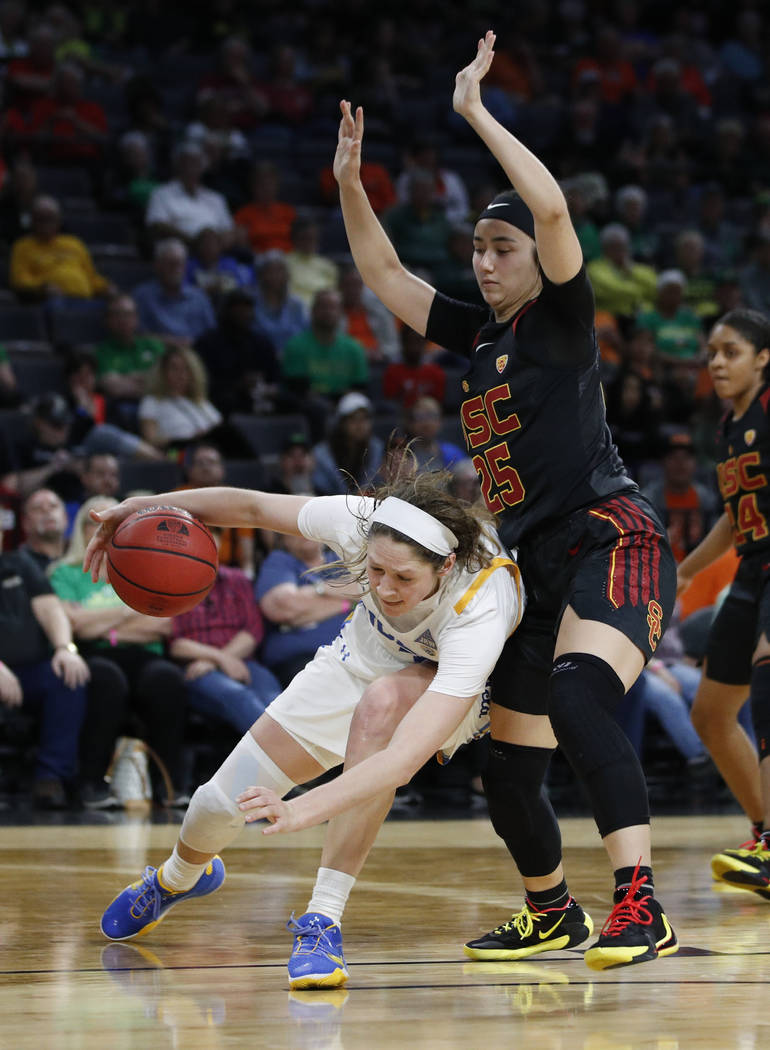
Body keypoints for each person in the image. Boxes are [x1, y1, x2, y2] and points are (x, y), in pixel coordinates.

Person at [322, 32, 679, 972]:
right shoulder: (482, 337)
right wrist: (353, 189)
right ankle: (550, 909)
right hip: (531, 567)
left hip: (611, 537)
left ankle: (640, 903)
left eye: (501, 247)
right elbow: (387, 280)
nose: (485, 263)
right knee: (509, 770)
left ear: (534, 254)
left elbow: (555, 207)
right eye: (477, 247)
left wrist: (477, 112)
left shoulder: (562, 315)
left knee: (579, 695)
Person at [88, 471, 526, 990]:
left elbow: (404, 759)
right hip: (355, 660)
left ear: (445, 566)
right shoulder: (361, 523)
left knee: (380, 710)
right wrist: (143, 503)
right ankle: (179, 879)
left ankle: (322, 919)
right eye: (376, 570)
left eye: (403, 579)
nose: (384, 588)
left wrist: (302, 808)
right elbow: (249, 506)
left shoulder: (480, 603)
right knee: (214, 806)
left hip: (448, 690)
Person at [676, 308, 770, 897]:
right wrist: (683, 572)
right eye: (712, 351)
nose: (716, 361)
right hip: (754, 568)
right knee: (711, 714)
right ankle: (761, 832)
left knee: (766, 674)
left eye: (731, 351)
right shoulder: (727, 428)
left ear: (763, 359)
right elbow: (735, 520)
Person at [0, 520, 89, 809]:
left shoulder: (18, 564)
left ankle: (50, 777)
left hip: (29, 669)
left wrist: (65, 648)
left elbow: (51, 609)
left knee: (68, 676)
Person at [169, 527, 281, 736]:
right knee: (239, 697)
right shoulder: (174, 585)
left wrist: (223, 658)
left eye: (213, 539)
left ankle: (290, 760)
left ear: (220, 544)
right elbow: (176, 644)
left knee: (275, 701)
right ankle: (285, 759)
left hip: (242, 661)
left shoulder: (238, 580)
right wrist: (218, 658)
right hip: (197, 668)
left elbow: (253, 630)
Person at [311, 392, 384, 496]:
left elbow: (379, 484)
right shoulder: (321, 453)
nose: (360, 425)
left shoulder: (377, 448)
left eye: (365, 419)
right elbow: (321, 489)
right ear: (342, 423)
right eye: (354, 419)